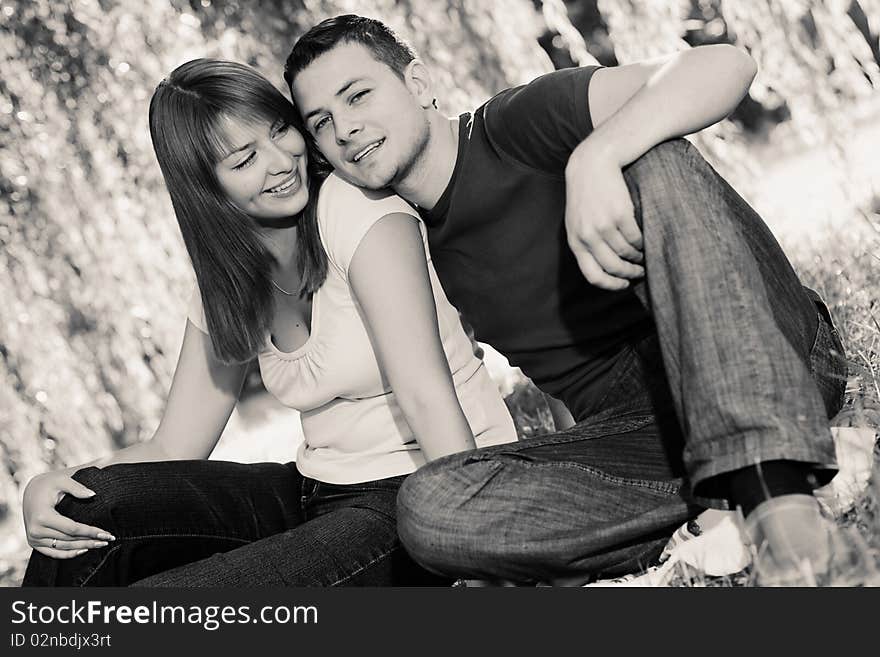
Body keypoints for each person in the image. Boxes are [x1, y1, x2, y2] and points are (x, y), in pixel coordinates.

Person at [285, 15, 849, 585]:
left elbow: (727, 64)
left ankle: (777, 495)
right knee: (431, 505)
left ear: (419, 83)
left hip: (759, 348)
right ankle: (720, 493)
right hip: (645, 430)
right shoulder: (409, 243)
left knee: (651, 154)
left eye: (358, 96)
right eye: (323, 123)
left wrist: (595, 156)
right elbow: (558, 379)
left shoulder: (514, 124)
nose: (347, 129)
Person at [20, 58, 516, 587]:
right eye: (245, 158)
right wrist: (57, 483)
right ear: (204, 187)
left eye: (280, 130)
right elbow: (172, 449)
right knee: (84, 514)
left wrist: (479, 546)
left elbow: (426, 395)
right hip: (315, 489)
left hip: (419, 493)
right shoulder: (229, 283)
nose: (282, 162)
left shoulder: (360, 214)